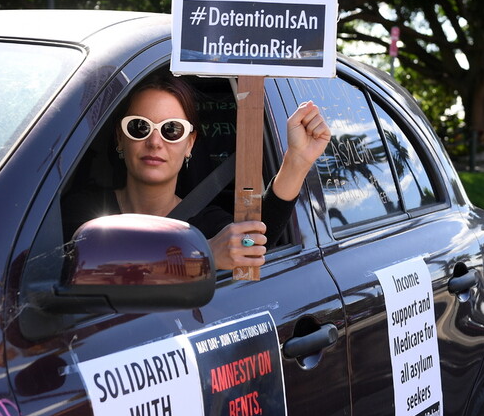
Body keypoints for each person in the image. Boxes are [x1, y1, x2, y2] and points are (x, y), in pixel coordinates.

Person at [63, 70, 331, 270]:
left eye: (171, 130)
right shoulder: (81, 213)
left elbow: (255, 241)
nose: (155, 142)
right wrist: (199, 256)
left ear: (190, 144)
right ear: (120, 138)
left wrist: (297, 161)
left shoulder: (209, 227)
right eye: (139, 127)